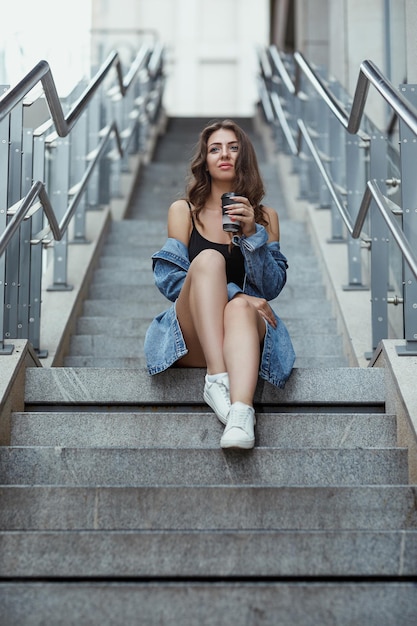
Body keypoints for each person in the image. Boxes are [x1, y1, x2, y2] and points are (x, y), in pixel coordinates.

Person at [144, 119, 295, 450]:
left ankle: (241, 414)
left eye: (233, 147)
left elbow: (270, 288)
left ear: (244, 157)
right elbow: (171, 280)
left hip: (241, 333)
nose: (224, 154)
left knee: (242, 307)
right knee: (209, 262)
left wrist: (253, 234)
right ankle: (216, 378)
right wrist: (237, 293)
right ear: (205, 161)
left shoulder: (266, 218)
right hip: (195, 337)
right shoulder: (183, 211)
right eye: (215, 149)